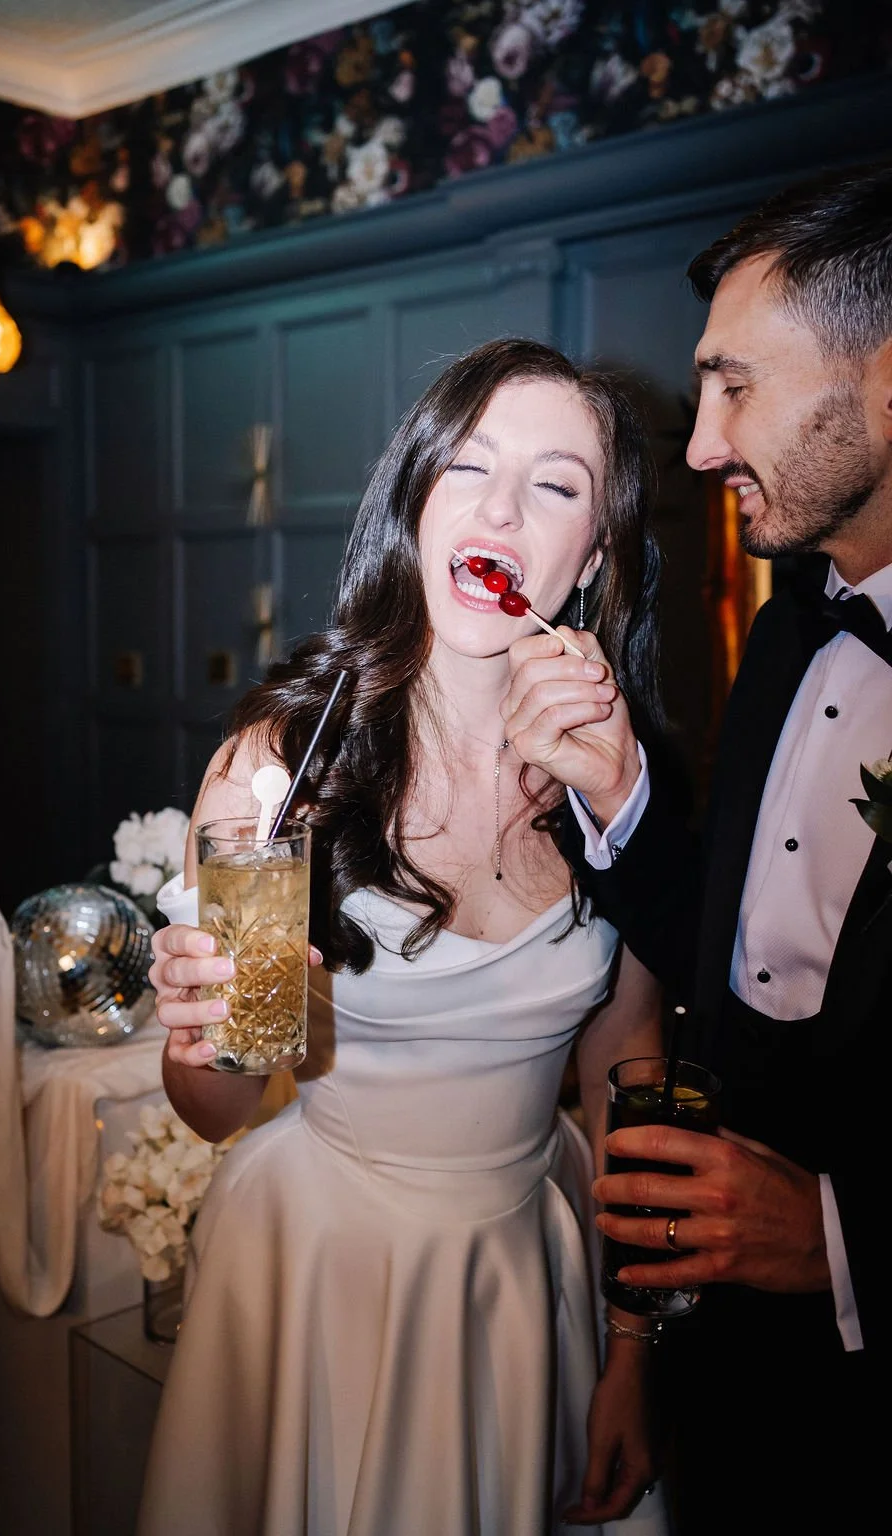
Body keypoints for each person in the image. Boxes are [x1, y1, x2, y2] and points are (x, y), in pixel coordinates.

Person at [135, 338, 676, 1536]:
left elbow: (627, 1069)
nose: (500, 508)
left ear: (592, 554)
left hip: (528, 1270)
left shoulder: (625, 787)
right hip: (319, 1261)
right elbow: (220, 1106)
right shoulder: (282, 768)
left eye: (555, 484)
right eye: (467, 466)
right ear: (416, 501)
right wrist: (201, 1037)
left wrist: (631, 1347)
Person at [500, 161, 890, 1533]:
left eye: (735, 387)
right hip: (731, 1386)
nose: (703, 445)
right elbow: (727, 965)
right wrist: (617, 797)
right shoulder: (786, 631)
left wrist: (838, 1238)